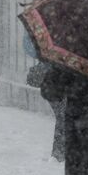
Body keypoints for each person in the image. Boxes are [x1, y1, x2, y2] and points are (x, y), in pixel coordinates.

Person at [23, 33, 65, 161]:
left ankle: (60, 152)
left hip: (63, 78)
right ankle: (60, 152)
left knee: (63, 115)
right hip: (54, 79)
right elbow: (29, 46)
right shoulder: (45, 24)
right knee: (63, 114)